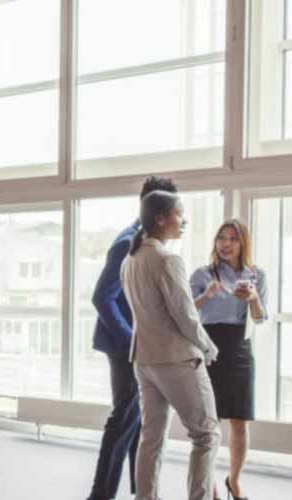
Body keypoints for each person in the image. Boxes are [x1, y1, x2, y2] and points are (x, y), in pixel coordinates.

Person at [122, 190, 220, 500]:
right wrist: (208, 347)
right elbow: (185, 316)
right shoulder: (167, 259)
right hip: (176, 359)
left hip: (144, 359)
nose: (184, 220)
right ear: (161, 218)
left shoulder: (131, 259)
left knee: (151, 438)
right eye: (180, 214)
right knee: (207, 436)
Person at [87, 176, 178, 500]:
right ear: (155, 210)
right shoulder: (127, 242)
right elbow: (102, 298)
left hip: (139, 347)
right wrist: (132, 343)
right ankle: (100, 495)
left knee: (139, 424)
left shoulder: (148, 242)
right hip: (124, 346)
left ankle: (142, 491)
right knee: (124, 420)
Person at [188, 219, 266, 500]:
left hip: (240, 347)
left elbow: (260, 318)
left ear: (242, 243)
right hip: (208, 346)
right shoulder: (202, 274)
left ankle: (234, 480)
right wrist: (206, 296)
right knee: (209, 423)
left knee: (240, 420)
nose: (225, 244)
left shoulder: (256, 275)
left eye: (232, 238)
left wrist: (254, 298)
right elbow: (184, 312)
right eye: (221, 237)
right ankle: (211, 488)